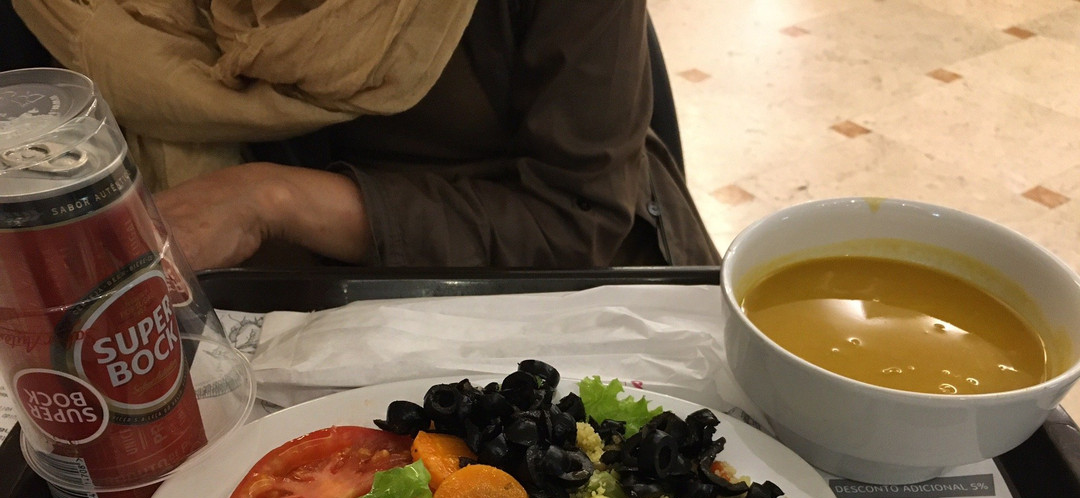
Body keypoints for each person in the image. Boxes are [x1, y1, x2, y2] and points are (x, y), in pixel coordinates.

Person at [13, 1, 721, 270]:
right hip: (278, 300)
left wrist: (271, 198)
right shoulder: (86, 14)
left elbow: (576, 217)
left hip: (557, 281)